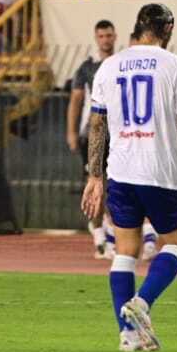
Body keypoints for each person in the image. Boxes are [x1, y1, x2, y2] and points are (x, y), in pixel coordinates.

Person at [80, 3, 177, 352]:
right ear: (166, 30)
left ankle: (128, 335)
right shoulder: (174, 64)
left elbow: (96, 124)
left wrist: (94, 176)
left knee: (125, 250)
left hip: (120, 172)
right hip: (160, 172)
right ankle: (143, 302)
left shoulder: (109, 65)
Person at [68, 19, 118, 257]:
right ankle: (99, 232)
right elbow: (76, 100)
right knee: (97, 182)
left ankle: (108, 231)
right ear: (96, 38)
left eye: (109, 36)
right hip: (92, 134)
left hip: (118, 133)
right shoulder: (87, 68)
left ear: (114, 36)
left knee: (116, 184)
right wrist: (71, 132)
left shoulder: (121, 64)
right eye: (101, 36)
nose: (106, 40)